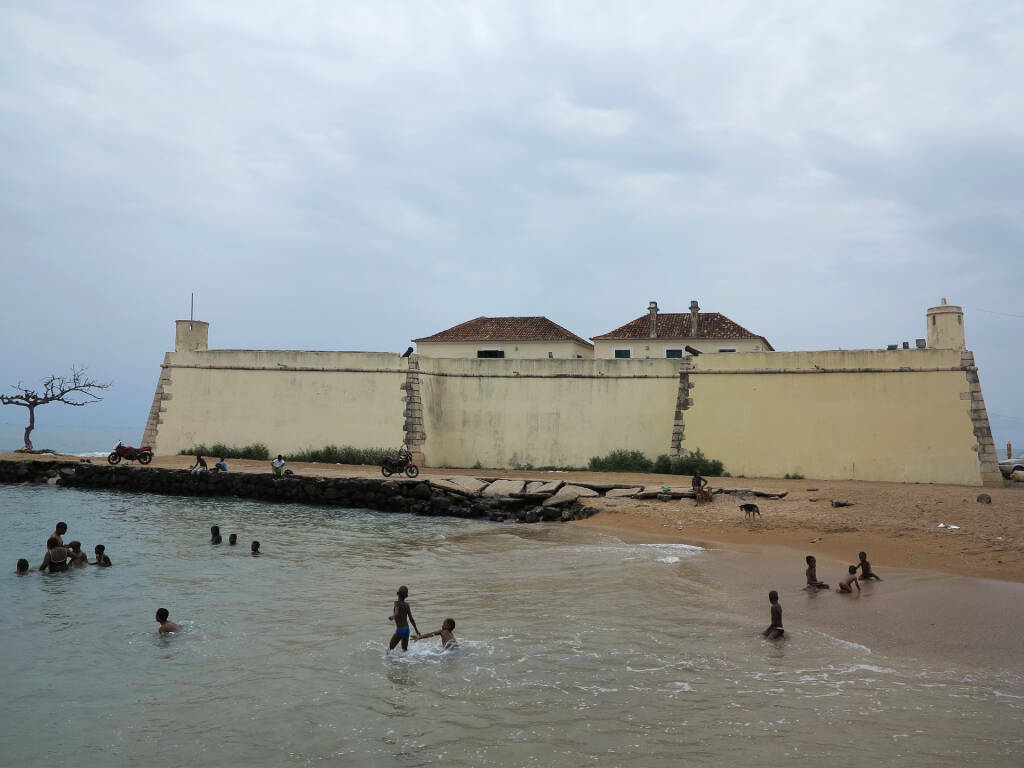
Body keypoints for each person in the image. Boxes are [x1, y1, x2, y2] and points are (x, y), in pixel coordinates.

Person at [388, 585, 420, 652]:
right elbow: (411, 618)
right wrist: (416, 630)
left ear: (397, 593)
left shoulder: (396, 603)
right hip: (407, 630)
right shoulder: (407, 605)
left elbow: (396, 613)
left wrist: (393, 617)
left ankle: (389, 662)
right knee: (404, 650)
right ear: (406, 596)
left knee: (390, 649)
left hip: (400, 630)